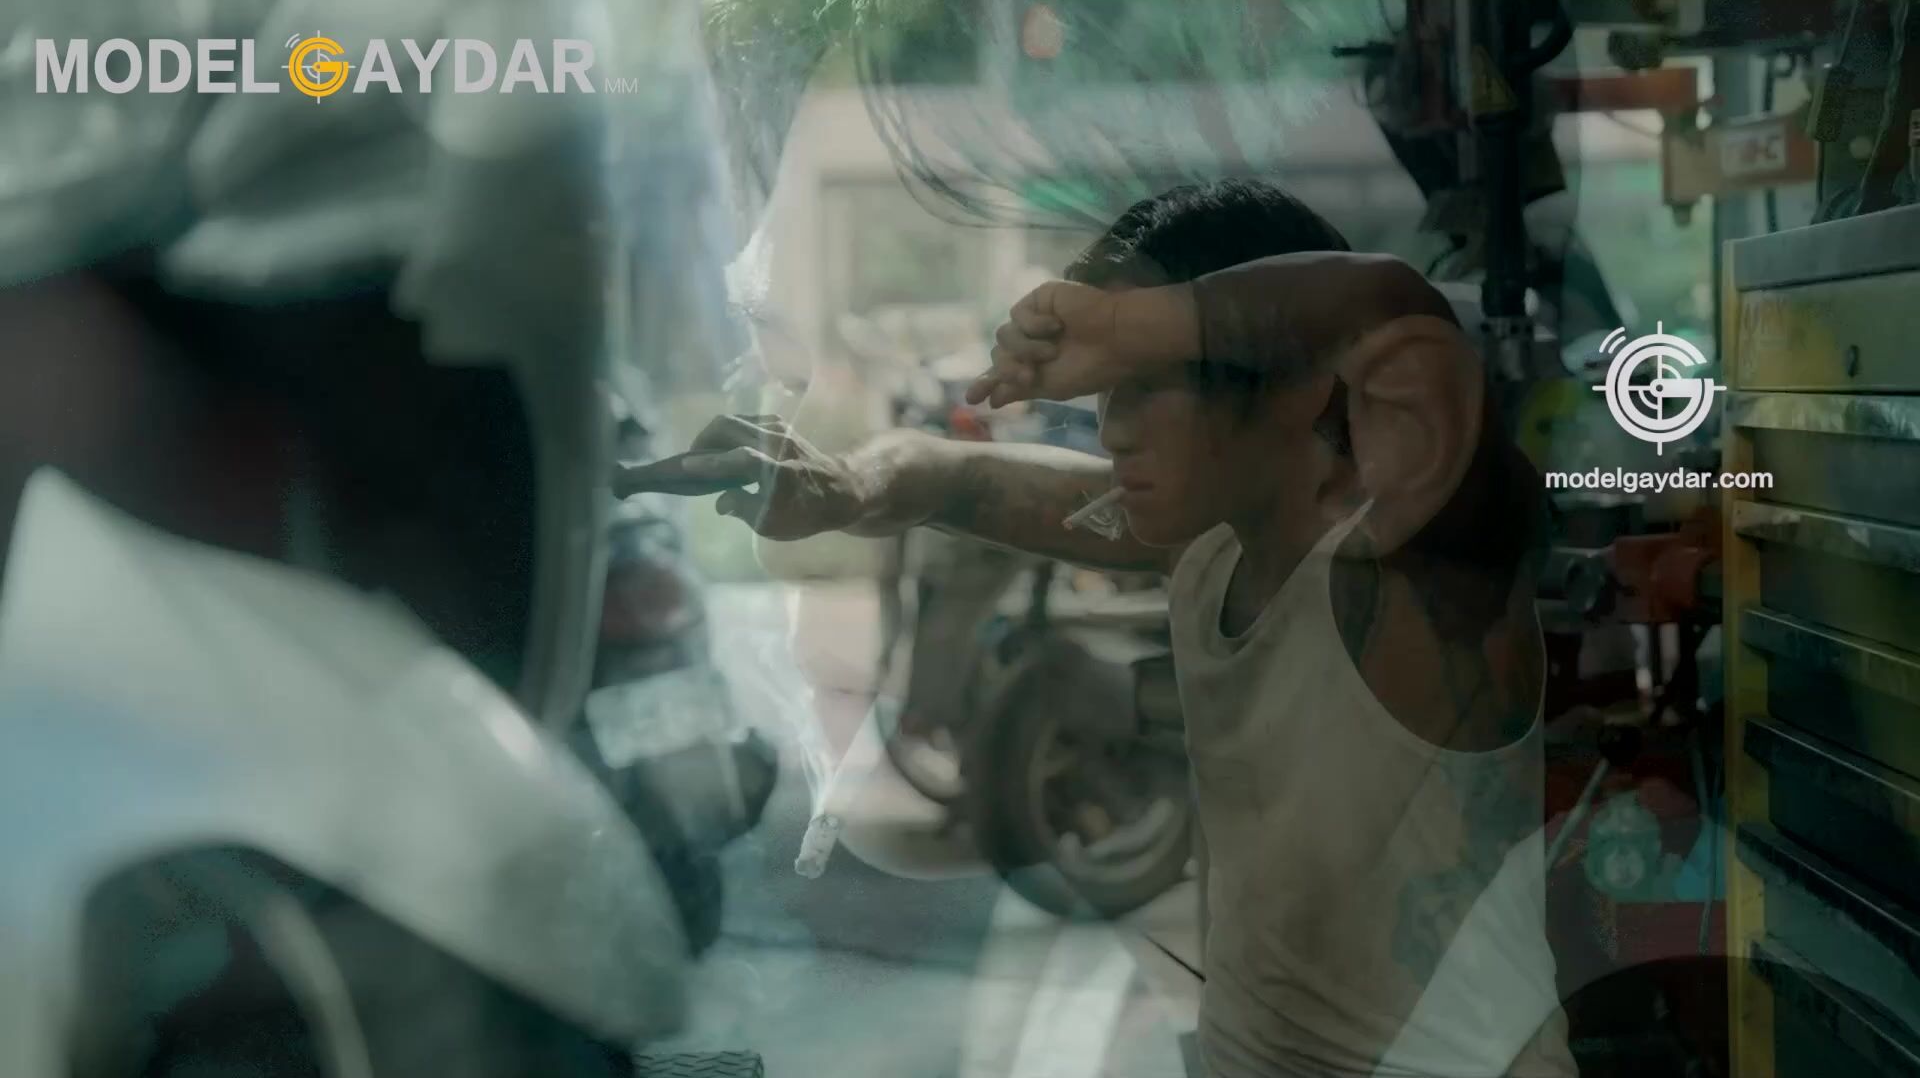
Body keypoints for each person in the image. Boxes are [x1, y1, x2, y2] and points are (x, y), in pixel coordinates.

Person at [619, 180, 1575, 1077]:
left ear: (1296, 386)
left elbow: (1391, 316)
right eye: (1111, 390)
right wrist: (843, 485)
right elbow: (954, 475)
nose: (1112, 428)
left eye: (1144, 382)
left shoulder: (1409, 585)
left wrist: (1120, 324)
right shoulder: (1211, 553)